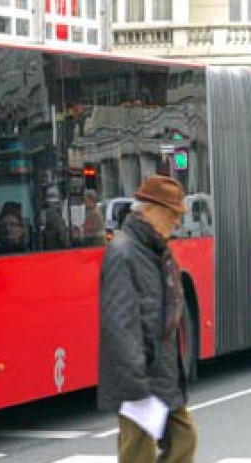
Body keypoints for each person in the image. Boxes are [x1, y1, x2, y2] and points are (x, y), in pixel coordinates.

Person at [98, 175, 196, 462]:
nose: (177, 222)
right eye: (172, 214)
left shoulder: (154, 248)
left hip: (159, 371)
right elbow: (119, 325)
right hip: (139, 376)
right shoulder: (123, 252)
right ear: (149, 210)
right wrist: (135, 383)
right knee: (138, 452)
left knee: (183, 437)